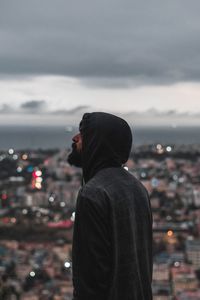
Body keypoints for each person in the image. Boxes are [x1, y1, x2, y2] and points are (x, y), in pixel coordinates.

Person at [68, 112, 152, 300]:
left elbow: (91, 279)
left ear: (98, 141)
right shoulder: (137, 188)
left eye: (83, 133)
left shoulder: (93, 193)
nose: (75, 138)